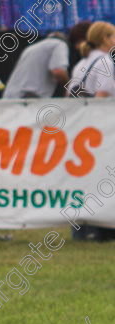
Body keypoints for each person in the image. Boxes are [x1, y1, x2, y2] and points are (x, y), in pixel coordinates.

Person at [67, 21, 115, 242]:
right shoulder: (104, 61)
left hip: (81, 129)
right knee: (104, 176)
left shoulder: (82, 63)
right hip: (100, 128)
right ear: (105, 39)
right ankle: (104, 228)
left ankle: (81, 228)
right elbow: (103, 95)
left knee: (84, 179)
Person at [3, 32, 70, 99]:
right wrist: (68, 87)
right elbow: (58, 71)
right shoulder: (59, 44)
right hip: (28, 97)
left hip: (10, 97)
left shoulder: (31, 48)